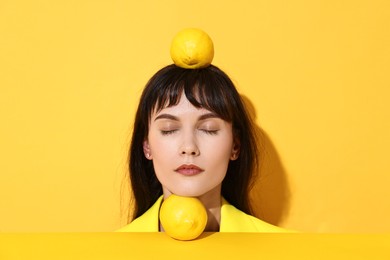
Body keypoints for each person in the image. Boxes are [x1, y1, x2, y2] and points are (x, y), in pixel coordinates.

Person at [117, 63, 289, 233]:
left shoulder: (289, 250)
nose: (189, 147)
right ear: (147, 146)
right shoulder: (108, 251)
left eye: (209, 129)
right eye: (169, 129)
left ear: (235, 146)